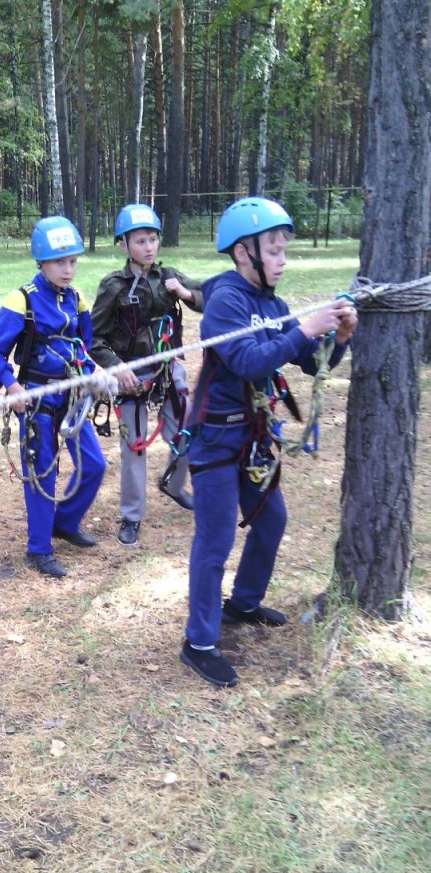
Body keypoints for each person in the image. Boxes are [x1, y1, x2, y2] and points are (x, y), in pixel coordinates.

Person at [180, 196, 358, 687]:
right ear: (244, 253)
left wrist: (339, 338)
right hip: (216, 438)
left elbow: (311, 362)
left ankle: (243, 603)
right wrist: (306, 327)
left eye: (284, 251)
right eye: (274, 251)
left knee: (271, 519)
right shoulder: (225, 300)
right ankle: (199, 643)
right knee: (215, 540)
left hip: (253, 438)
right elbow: (248, 362)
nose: (283, 260)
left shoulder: (273, 305)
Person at [0, 216, 107, 579]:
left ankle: (63, 523)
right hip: (37, 400)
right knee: (40, 474)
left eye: (73, 261)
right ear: (41, 261)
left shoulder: (77, 299)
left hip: (72, 398)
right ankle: (38, 549)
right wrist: (11, 386)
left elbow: (83, 346)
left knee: (94, 464)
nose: (68, 269)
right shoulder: (22, 300)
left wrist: (91, 376)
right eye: (59, 262)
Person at [90, 203, 202, 546]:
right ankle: (132, 515)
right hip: (131, 376)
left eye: (153, 239)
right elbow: (94, 339)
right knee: (134, 448)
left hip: (168, 369)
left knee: (188, 432)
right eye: (140, 241)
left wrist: (185, 294)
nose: (149, 247)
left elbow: (210, 298)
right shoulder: (113, 287)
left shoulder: (169, 276)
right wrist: (117, 367)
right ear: (123, 244)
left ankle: (173, 485)